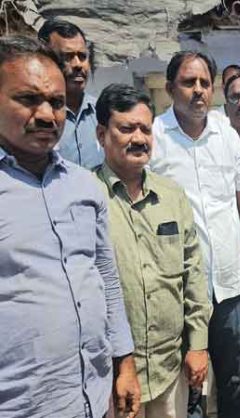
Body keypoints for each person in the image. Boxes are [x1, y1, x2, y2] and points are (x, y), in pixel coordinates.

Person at [0, 36, 139, 417]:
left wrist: (124, 362)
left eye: (57, 103)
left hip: (92, 398)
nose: (46, 114)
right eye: (28, 99)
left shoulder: (84, 186)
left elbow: (105, 278)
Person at [150, 51, 240, 417]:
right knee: (186, 385)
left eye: (205, 83)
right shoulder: (155, 137)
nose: (199, 91)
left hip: (230, 286)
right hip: (180, 289)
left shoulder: (227, 136)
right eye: (189, 82)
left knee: (232, 380)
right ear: (171, 88)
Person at [94, 84, 211, 418]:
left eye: (145, 129)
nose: (139, 138)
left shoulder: (172, 195)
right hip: (111, 373)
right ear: (102, 133)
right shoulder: (86, 196)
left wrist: (198, 344)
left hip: (168, 368)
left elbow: (193, 273)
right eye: (126, 128)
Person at [38, 19, 101, 169]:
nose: (78, 64)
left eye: (82, 56)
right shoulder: (38, 116)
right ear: (46, 59)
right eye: (67, 56)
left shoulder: (103, 111)